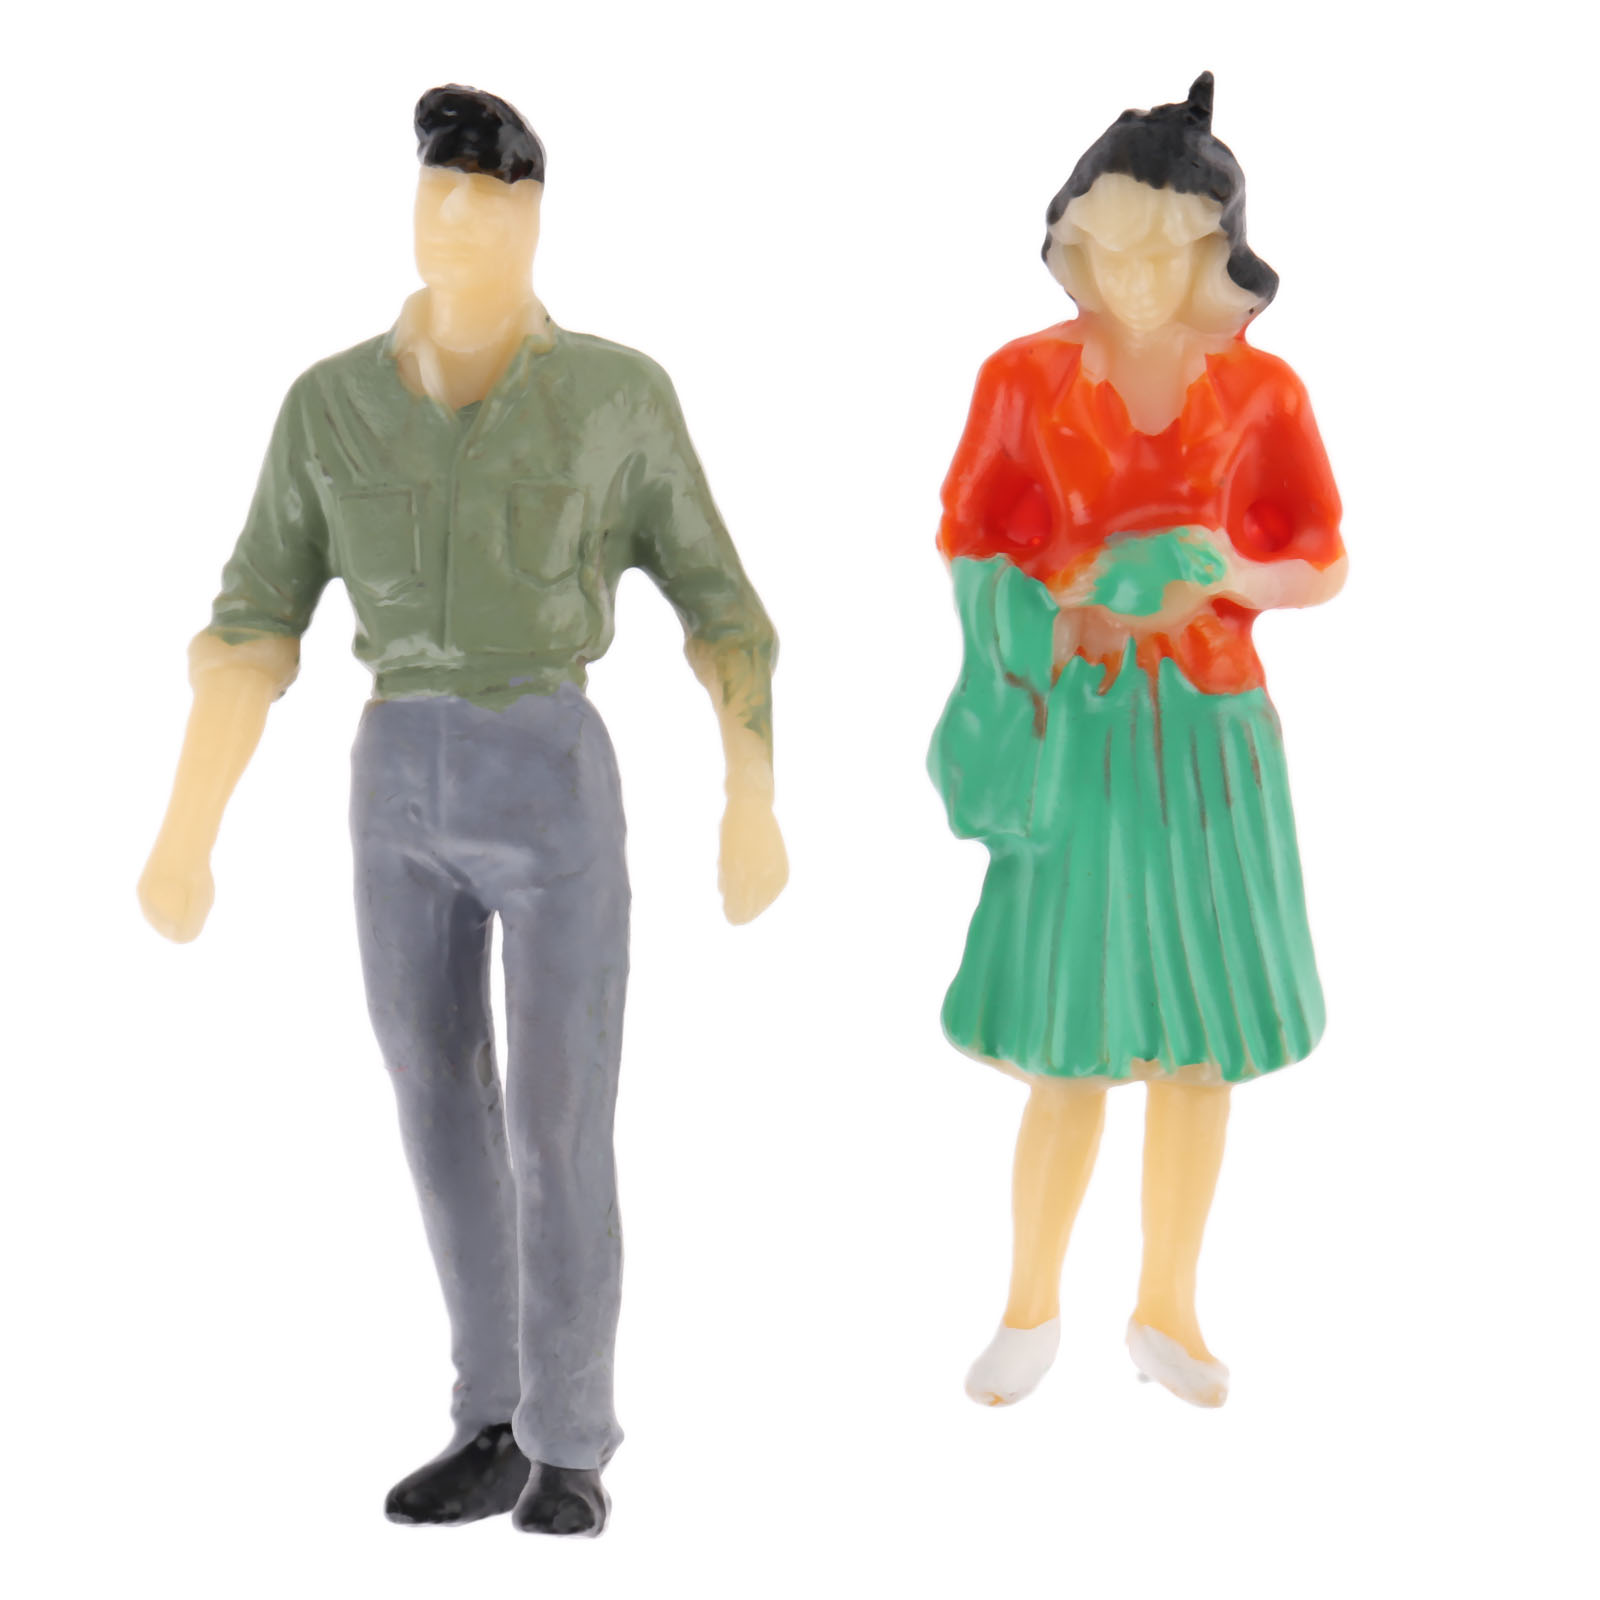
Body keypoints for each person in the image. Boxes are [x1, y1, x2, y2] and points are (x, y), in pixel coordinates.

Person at [138, 84, 787, 1536]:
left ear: (534, 217)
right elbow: (252, 623)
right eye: (439, 199)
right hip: (394, 778)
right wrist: (189, 827)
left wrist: (750, 789)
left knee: (561, 1117)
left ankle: (571, 1438)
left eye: (491, 206)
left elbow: (723, 606)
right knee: (435, 1105)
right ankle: (488, 1413)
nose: (459, 228)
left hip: (547, 767)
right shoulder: (331, 406)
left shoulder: (615, 396)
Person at [930, 73, 1344, 1411]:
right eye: (1106, 245)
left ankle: (1168, 1305)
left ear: (1218, 251)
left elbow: (1324, 558)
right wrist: (1062, 605)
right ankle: (1028, 1305)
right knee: (1070, 1040)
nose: (1133, 274)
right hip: (1082, 732)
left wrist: (1230, 571)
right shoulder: (1023, 378)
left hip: (1213, 735)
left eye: (1164, 249)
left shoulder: (1264, 391)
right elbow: (969, 538)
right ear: (1073, 240)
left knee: (1198, 1044)